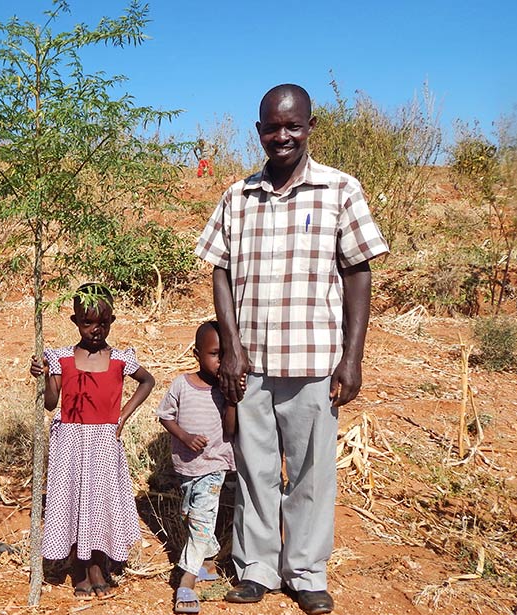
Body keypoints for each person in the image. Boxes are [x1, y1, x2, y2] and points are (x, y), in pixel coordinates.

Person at [194, 84, 389, 614]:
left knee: (310, 471)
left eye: (293, 126)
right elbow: (220, 270)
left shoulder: (340, 190)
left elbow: (358, 274)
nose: (282, 136)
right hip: (252, 362)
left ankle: (305, 570)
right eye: (272, 127)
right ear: (259, 131)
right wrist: (230, 347)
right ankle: (256, 567)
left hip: (313, 361)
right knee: (255, 469)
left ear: (310, 127)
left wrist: (353, 356)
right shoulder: (238, 195)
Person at [29, 283, 155, 600]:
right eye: (87, 322)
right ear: (75, 321)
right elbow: (49, 402)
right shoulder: (60, 359)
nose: (95, 330)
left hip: (104, 440)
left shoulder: (120, 359)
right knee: (73, 500)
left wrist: (123, 416)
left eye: (102, 322)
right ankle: (80, 570)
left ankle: (98, 565)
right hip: (70, 440)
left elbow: (148, 380)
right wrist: (44, 376)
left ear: (111, 321)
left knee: (100, 501)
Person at [156, 321, 237, 614]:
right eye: (215, 354)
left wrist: (232, 399)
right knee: (190, 516)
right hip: (186, 467)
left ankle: (186, 581)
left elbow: (230, 430)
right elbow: (165, 416)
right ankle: (209, 562)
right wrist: (185, 437)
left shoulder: (226, 391)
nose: (221, 361)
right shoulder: (182, 384)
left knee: (201, 519)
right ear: (197, 353)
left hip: (214, 466)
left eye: (226, 355)